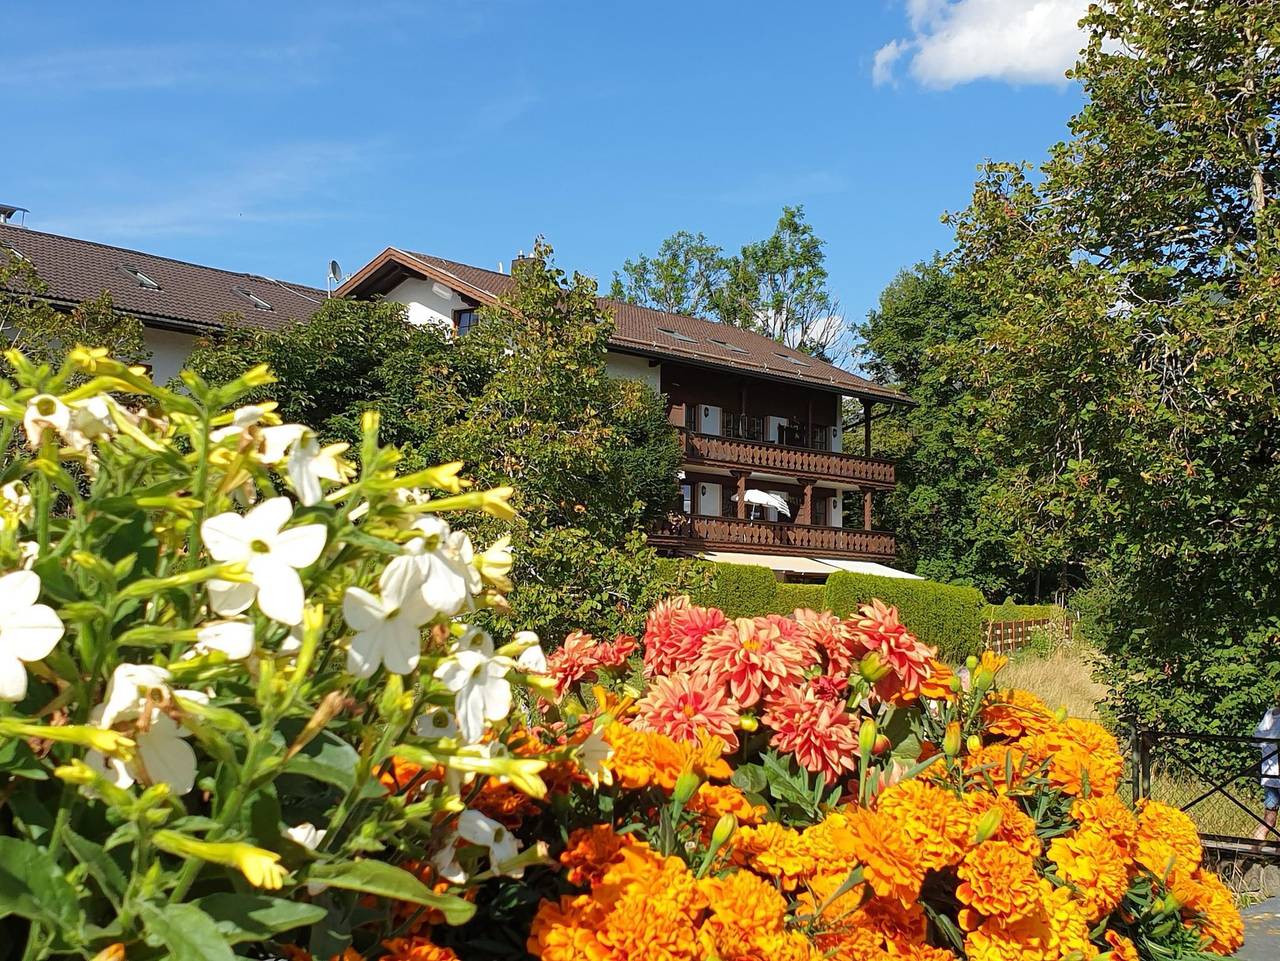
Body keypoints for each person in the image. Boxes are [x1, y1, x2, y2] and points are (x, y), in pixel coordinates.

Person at [1254, 697, 1280, 845]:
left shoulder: (1270, 715)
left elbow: (1257, 738)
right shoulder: (1271, 714)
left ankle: (1254, 848)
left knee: (1269, 819)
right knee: (1269, 819)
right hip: (1272, 775)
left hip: (1270, 774)